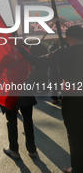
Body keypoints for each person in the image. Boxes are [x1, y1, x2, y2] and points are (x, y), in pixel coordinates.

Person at [17, 25, 83, 173]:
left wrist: (21, 48)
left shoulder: (63, 53)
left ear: (67, 38)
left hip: (73, 100)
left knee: (75, 135)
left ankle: (78, 168)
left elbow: (38, 62)